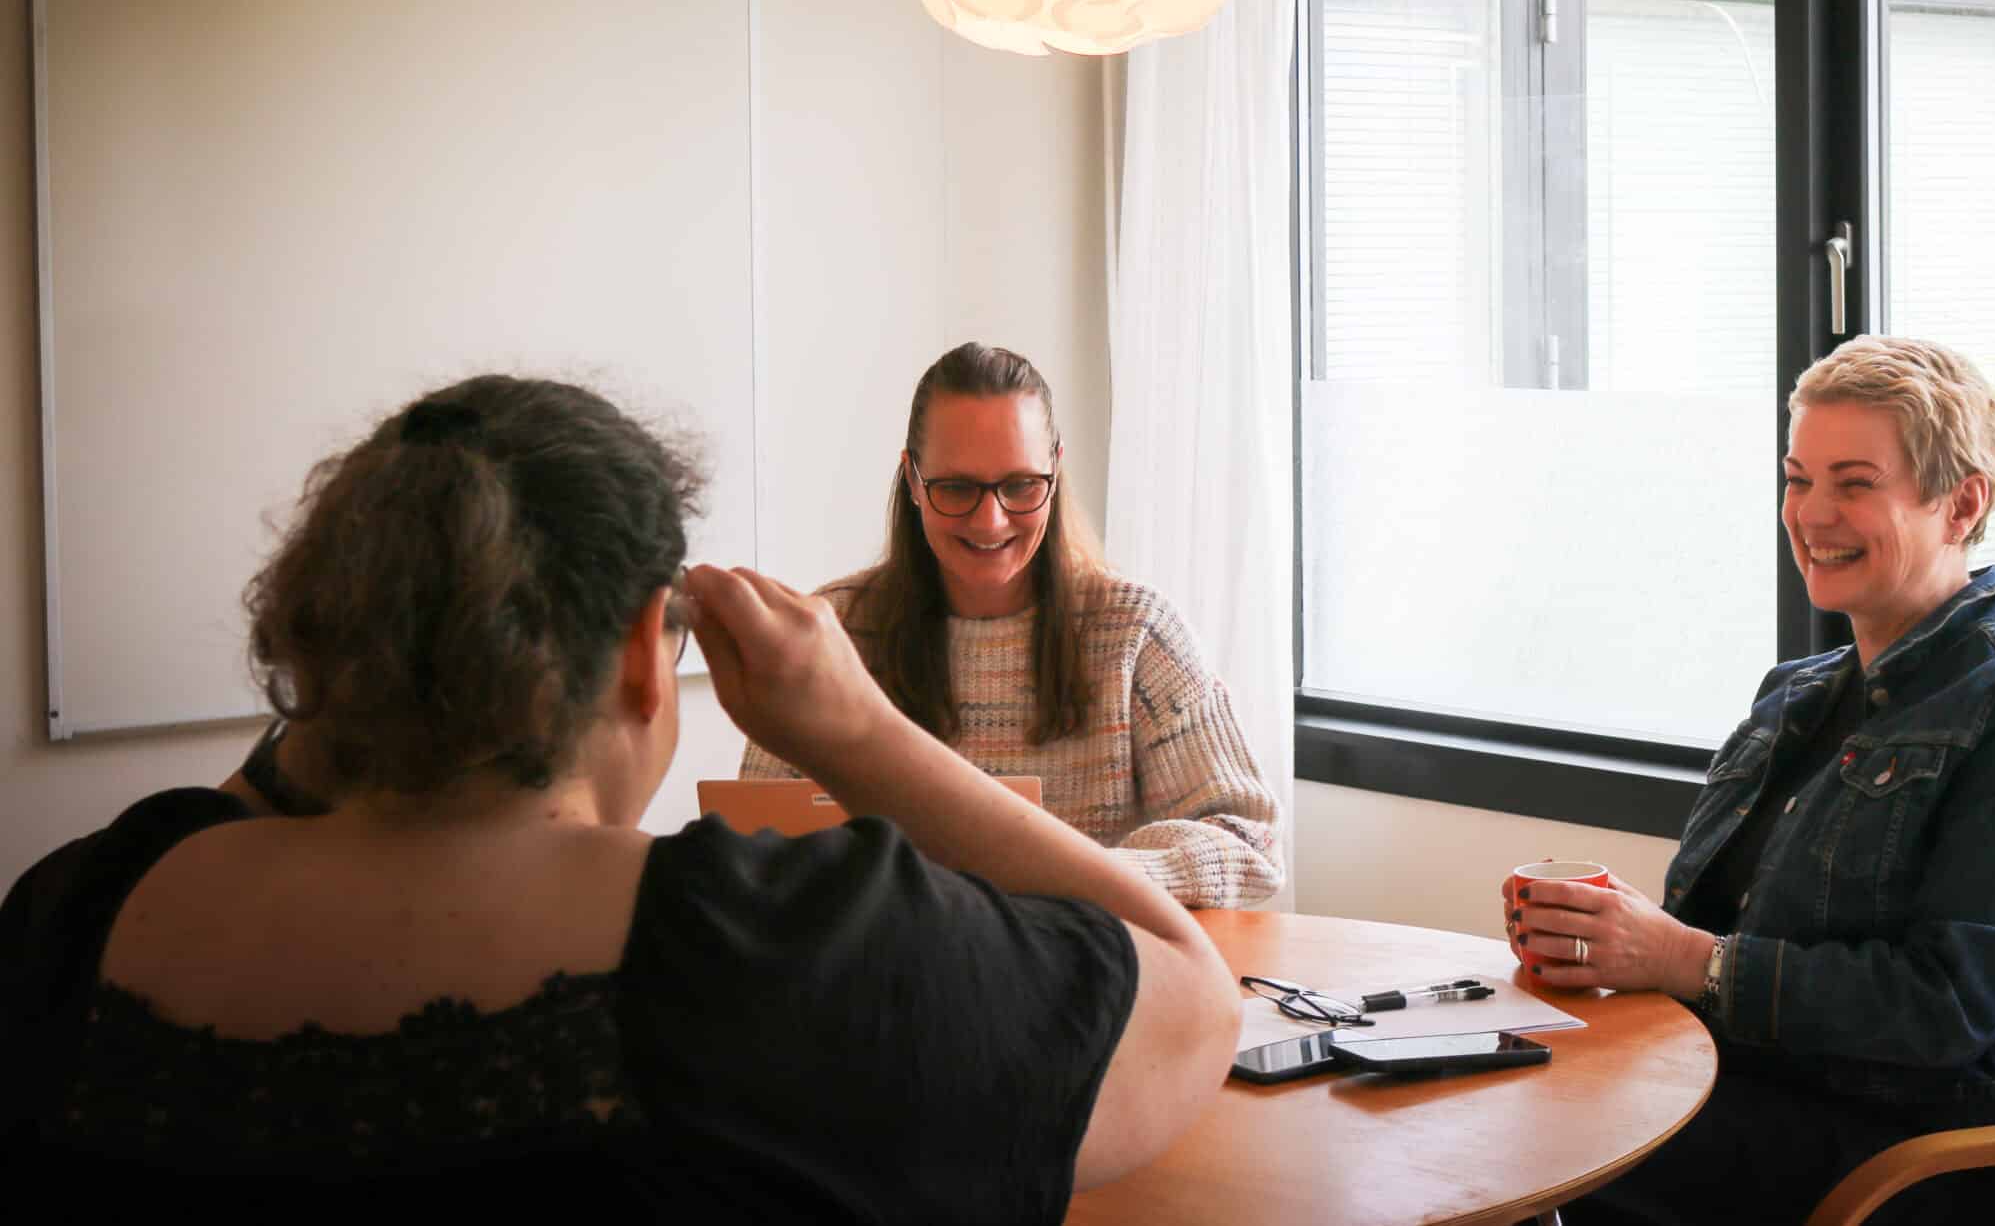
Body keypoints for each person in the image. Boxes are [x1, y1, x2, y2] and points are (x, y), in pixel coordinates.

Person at [0, 375, 1239, 1215]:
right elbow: (1185, 1006)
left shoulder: (84, 898)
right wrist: (858, 727)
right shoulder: (775, 949)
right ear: (652, 651)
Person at [1511, 337, 1995, 1226]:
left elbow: (1944, 1011)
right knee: (1488, 1097)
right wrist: (1616, 938)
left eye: (1853, 482)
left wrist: (1682, 957)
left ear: (1962, 504)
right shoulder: (1795, 695)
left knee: (1530, 1145)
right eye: (1799, 478)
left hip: (1913, 1159)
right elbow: (1727, 940)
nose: (1811, 514)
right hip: (1749, 1095)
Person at [739, 342, 1282, 909]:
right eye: (957, 488)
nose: (990, 519)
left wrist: (1078, 876)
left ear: (1055, 469)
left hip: (1077, 971)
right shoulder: (834, 632)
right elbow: (751, 844)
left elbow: (1249, 839)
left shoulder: (1135, 632)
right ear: (914, 480)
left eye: (1021, 485)